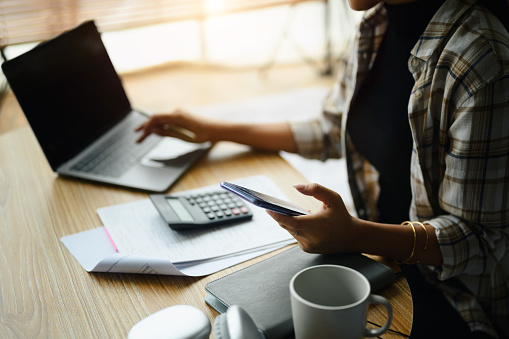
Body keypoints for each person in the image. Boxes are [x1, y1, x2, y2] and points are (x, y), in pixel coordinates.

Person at [136, 0, 509, 337]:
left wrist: (354, 235)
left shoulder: (481, 61)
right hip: (378, 257)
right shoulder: (375, 21)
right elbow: (334, 128)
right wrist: (215, 129)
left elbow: (482, 239)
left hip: (452, 297)